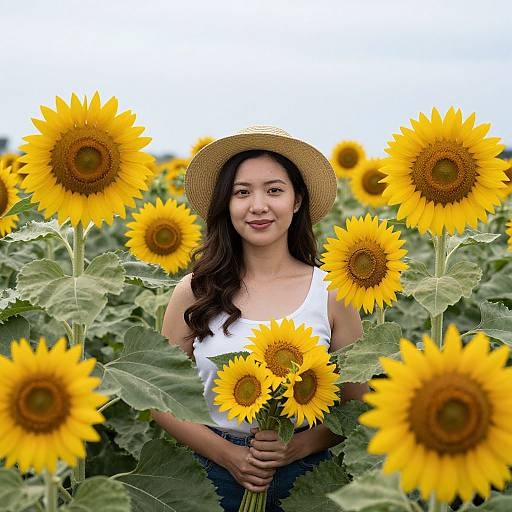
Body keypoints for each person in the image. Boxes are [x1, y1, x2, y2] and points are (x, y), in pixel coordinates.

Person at [151, 126, 367, 512]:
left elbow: (356, 404)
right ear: (226, 205)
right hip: (208, 474)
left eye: (274, 190)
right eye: (242, 192)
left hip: (306, 477)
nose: (258, 205)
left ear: (297, 201)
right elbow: (157, 397)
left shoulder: (332, 291)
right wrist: (226, 455)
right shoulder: (194, 291)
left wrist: (296, 445)